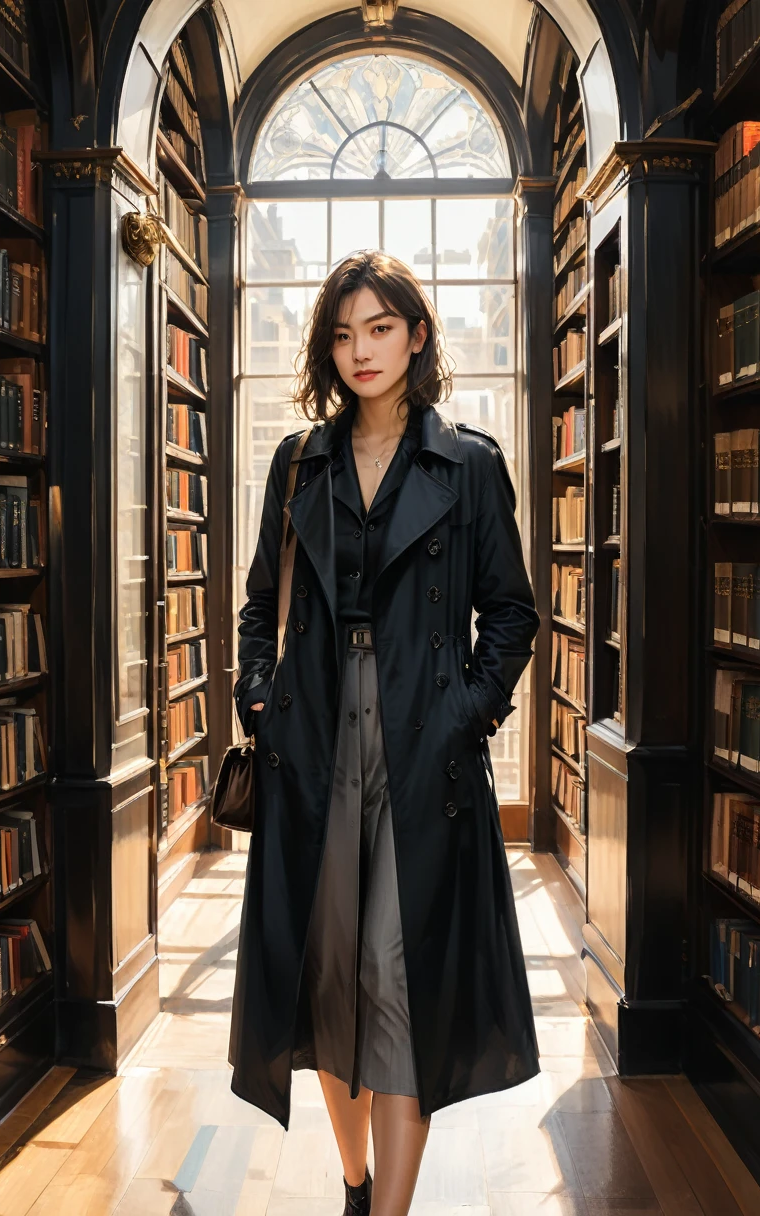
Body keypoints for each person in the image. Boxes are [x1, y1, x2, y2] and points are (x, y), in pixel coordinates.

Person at [229, 250, 540, 1216]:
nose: (360, 350)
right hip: (313, 746)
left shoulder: (471, 465)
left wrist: (466, 712)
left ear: (415, 335)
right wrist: (257, 700)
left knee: (398, 973)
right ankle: (358, 1183)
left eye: (379, 327)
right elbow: (254, 606)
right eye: (342, 332)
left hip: (423, 749)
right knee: (325, 978)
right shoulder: (297, 463)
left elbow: (512, 615)